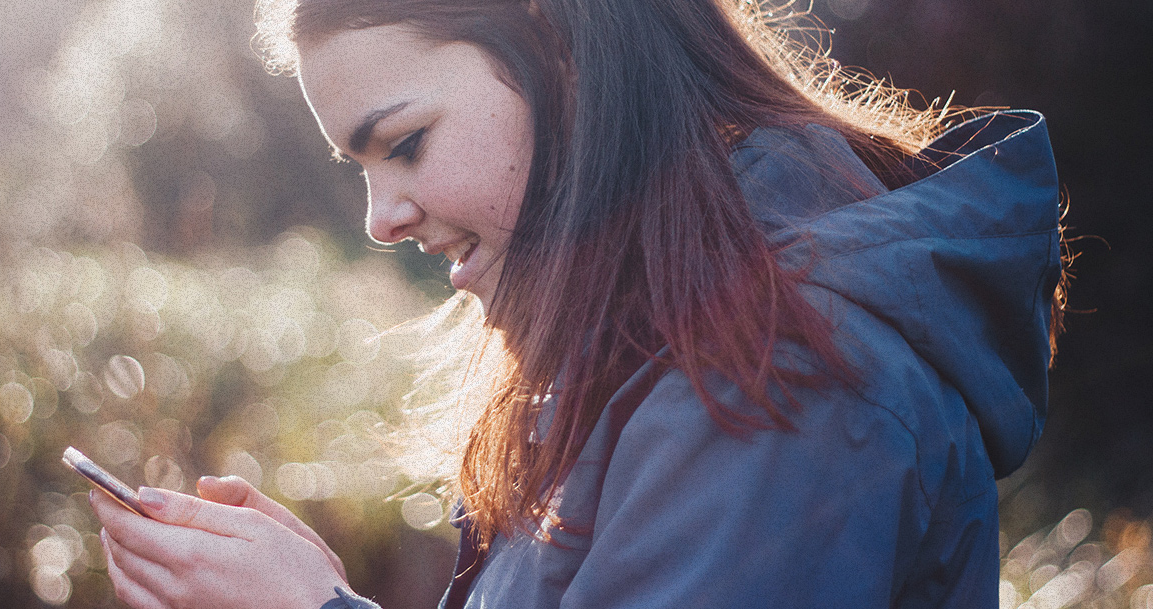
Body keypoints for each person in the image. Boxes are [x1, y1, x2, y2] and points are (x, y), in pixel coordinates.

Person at [90, 0, 1065, 607]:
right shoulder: (657, 343)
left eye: (405, 143)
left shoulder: (787, 376)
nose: (382, 218)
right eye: (361, 166)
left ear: (556, 51)